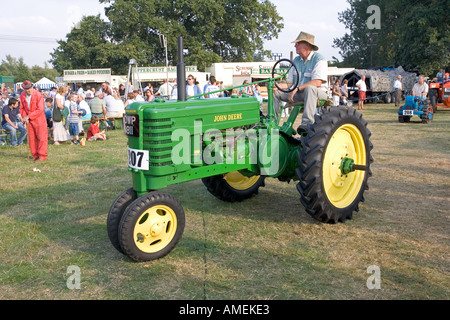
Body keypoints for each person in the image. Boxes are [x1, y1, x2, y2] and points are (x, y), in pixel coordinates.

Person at [273, 31, 328, 134]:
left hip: (318, 94)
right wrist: (276, 85)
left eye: (298, 43)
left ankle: (307, 124)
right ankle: (272, 123)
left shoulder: (319, 59)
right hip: (300, 93)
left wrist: (297, 89)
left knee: (310, 88)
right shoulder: (296, 60)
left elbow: (317, 82)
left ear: (307, 45)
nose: (295, 46)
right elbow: (289, 82)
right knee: (276, 92)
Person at [19, 80, 48, 161]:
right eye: (27, 89)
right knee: (31, 138)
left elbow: (40, 109)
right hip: (29, 120)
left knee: (41, 137)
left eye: (30, 88)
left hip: (39, 118)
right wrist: (25, 117)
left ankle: (42, 156)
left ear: (32, 87)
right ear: (24, 89)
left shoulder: (38, 95)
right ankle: (35, 155)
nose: (29, 90)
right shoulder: (22, 95)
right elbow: (22, 108)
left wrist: (28, 116)